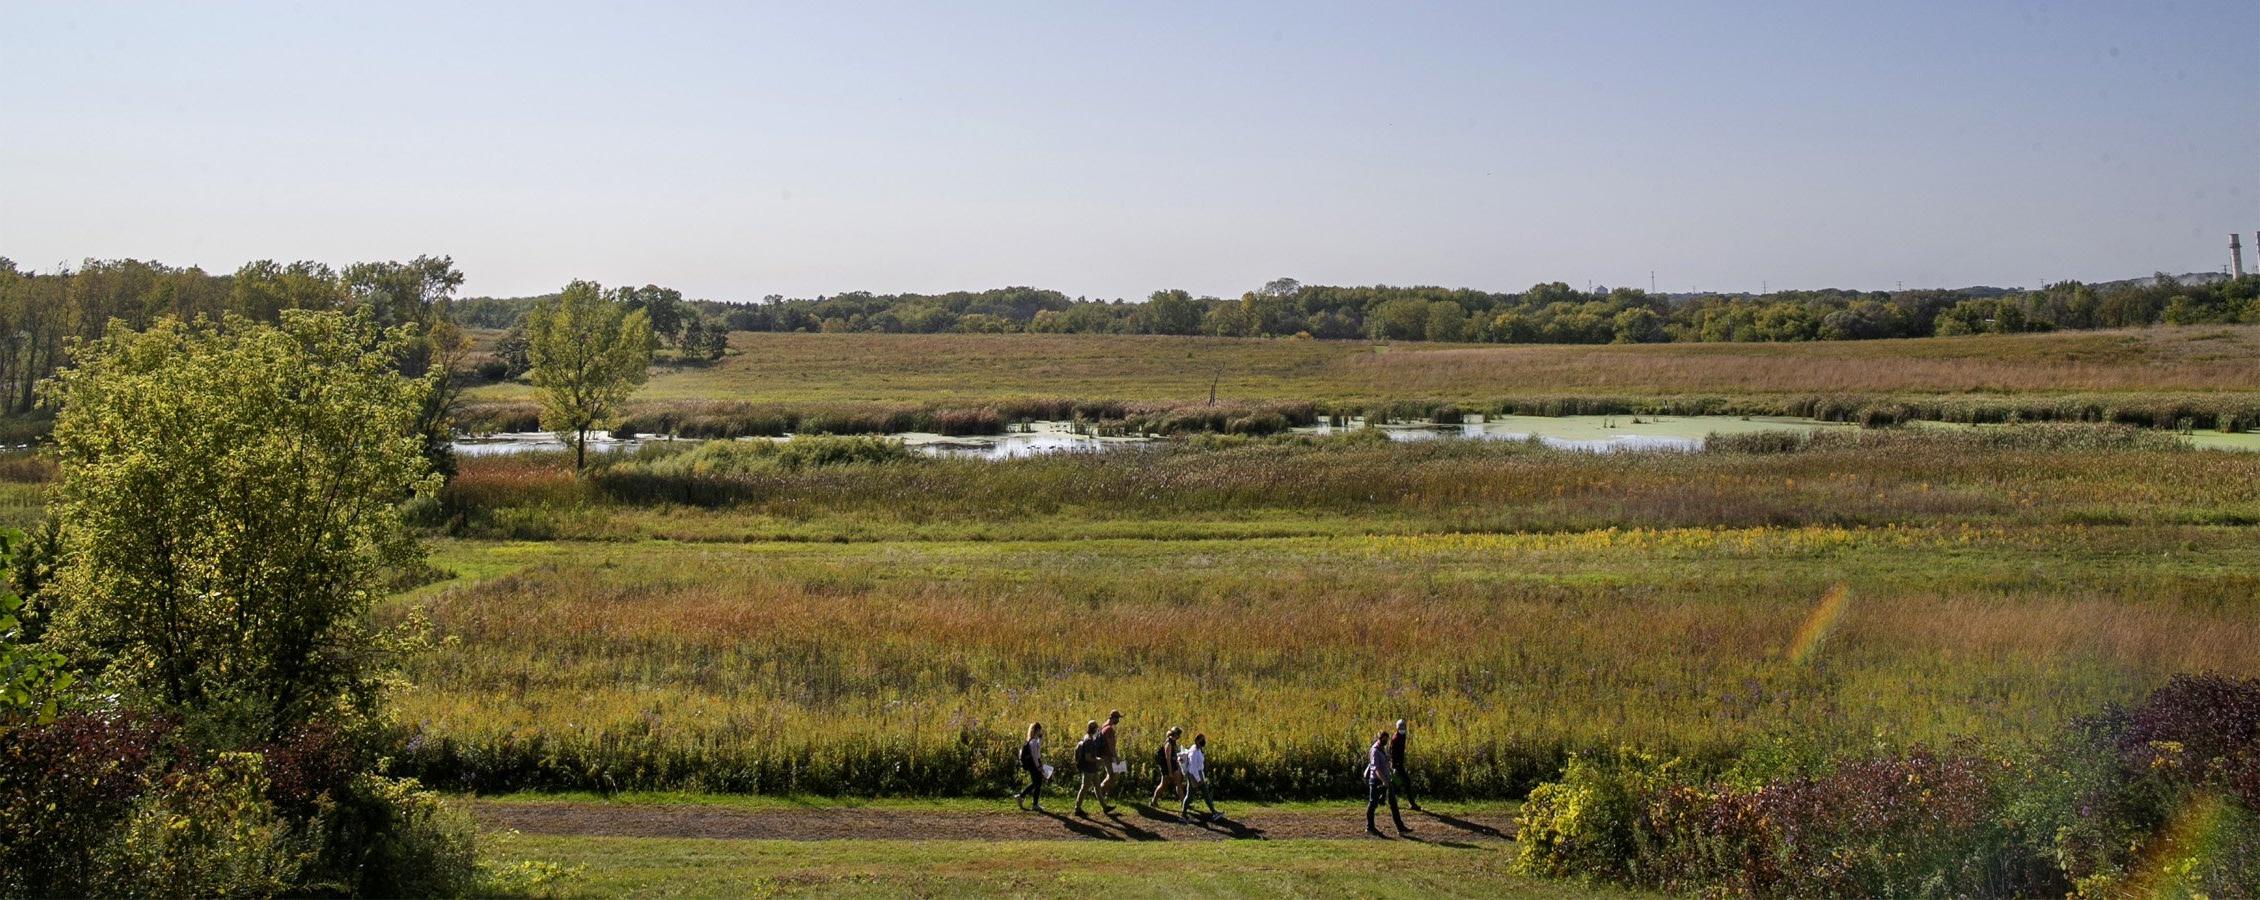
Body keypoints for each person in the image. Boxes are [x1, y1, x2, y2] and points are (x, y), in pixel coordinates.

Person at [1366, 730, 1407, 835]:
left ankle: (1400, 827)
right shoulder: (1375, 750)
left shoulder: (1382, 749)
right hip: (1376, 781)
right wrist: (1384, 781)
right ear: (1381, 738)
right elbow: (1376, 769)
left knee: (1394, 804)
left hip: (1387, 780)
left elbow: (1384, 764)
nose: (1387, 741)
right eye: (1385, 739)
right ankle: (1370, 827)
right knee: (1372, 804)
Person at [1179, 733, 1219, 824]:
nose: (1204, 741)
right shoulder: (1194, 752)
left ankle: (1214, 812)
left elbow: (1199, 765)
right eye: (1202, 740)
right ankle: (1183, 815)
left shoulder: (1198, 749)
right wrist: (1198, 779)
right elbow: (1193, 768)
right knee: (1190, 796)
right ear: (1197, 741)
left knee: (1205, 793)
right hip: (1194, 775)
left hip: (1198, 774)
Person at [1073, 719, 1106, 816]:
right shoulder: (1089, 741)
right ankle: (1077, 808)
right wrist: (1099, 760)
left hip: (1093, 768)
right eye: (1097, 727)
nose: (1098, 730)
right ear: (1094, 729)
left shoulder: (1088, 737)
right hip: (1088, 769)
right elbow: (1088, 758)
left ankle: (1105, 807)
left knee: (1098, 788)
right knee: (1084, 788)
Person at [1014, 722, 1048, 811]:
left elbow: (1037, 750)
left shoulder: (1034, 740)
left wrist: (1040, 739)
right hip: (1034, 765)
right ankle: (1032, 803)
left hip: (1034, 764)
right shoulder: (1033, 742)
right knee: (1037, 783)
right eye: (1040, 730)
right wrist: (1038, 767)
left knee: (1036, 783)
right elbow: (1035, 756)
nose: (1041, 731)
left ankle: (1022, 797)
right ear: (1037, 730)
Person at [1094, 709, 1123, 814]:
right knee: (1112, 775)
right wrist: (1115, 757)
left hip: (1105, 755)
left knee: (1113, 774)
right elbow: (1111, 745)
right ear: (1114, 718)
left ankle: (1103, 792)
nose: (1118, 720)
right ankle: (1100, 791)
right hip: (1108, 756)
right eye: (1118, 718)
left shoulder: (1104, 725)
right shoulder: (1109, 729)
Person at [1389, 719, 1422, 812]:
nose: (1403, 729)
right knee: (1406, 782)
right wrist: (1394, 766)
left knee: (1395, 784)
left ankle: (1384, 798)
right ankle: (1412, 804)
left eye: (1404, 728)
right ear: (1397, 728)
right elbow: (1391, 752)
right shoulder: (1395, 738)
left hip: (1400, 764)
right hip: (1397, 765)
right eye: (1401, 728)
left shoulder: (1403, 736)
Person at [1150, 726, 1184, 807]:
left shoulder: (1174, 742)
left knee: (1178, 783)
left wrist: (1178, 762)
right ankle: (1153, 801)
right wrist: (1170, 772)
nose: (1179, 736)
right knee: (1163, 785)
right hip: (1167, 769)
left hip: (1174, 766)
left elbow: (1174, 756)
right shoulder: (1168, 744)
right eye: (1178, 734)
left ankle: (1184, 802)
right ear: (1175, 734)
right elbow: (1168, 759)